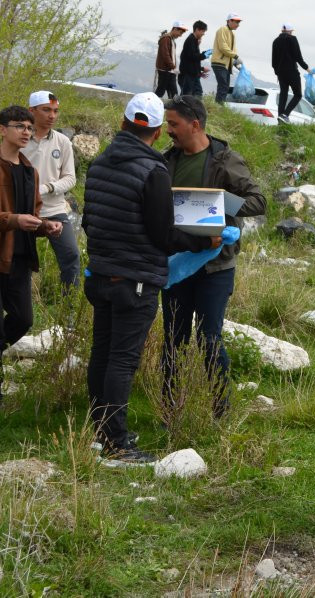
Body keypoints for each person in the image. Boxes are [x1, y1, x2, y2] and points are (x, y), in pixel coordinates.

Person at [82, 93, 217, 463]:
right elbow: (164, 235)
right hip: (136, 280)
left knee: (103, 353)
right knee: (123, 361)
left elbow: (88, 221)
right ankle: (117, 445)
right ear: (156, 132)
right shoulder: (153, 170)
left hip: (101, 274)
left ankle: (101, 431)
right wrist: (205, 240)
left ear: (124, 124)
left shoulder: (98, 164)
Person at [160, 95, 267, 417]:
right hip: (177, 264)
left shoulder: (224, 159)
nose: (169, 130)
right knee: (173, 340)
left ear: (195, 124)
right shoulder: (167, 161)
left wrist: (217, 204)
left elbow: (258, 201)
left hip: (216, 267)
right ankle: (169, 410)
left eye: (174, 124)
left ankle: (220, 409)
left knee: (209, 339)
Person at [0, 106, 63, 411]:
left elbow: (32, 215)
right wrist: (15, 220)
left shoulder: (30, 170)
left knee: (23, 320)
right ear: (2, 129)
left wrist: (46, 226)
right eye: (20, 126)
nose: (26, 132)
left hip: (19, 258)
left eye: (30, 127)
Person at [22, 90, 80, 290]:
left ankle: (68, 306)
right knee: (19, 259)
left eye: (55, 111)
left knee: (71, 254)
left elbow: (70, 178)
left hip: (54, 209)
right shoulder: (20, 140)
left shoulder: (62, 142)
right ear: (32, 110)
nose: (52, 116)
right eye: (46, 110)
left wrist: (47, 188)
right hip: (23, 209)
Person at [271, 23, 313, 123]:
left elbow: (274, 62)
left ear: (282, 31)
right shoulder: (292, 39)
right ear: (290, 31)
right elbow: (298, 57)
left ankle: (280, 119)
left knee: (283, 94)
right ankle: (285, 114)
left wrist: (277, 72)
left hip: (281, 73)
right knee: (298, 94)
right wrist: (307, 69)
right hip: (292, 71)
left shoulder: (275, 41)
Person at [210, 13, 242, 105]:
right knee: (223, 85)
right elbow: (223, 47)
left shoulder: (232, 33)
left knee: (225, 86)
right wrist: (235, 56)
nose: (238, 25)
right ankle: (218, 106)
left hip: (226, 64)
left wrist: (234, 62)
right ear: (229, 21)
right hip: (219, 62)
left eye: (238, 22)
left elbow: (231, 50)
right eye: (236, 22)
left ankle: (219, 105)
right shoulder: (222, 30)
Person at [155, 21, 189, 100]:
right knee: (161, 91)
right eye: (180, 33)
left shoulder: (171, 40)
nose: (180, 35)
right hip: (165, 70)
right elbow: (165, 54)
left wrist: (173, 68)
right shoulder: (166, 39)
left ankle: (174, 109)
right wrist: (172, 66)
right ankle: (151, 106)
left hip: (170, 71)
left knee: (173, 93)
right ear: (175, 29)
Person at [178, 20, 210, 97]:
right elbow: (192, 56)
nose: (203, 34)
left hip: (193, 74)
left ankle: (193, 109)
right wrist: (204, 55)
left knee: (197, 93)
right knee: (187, 95)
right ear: (197, 29)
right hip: (187, 74)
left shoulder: (194, 41)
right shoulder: (190, 40)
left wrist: (200, 70)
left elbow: (193, 60)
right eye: (202, 31)